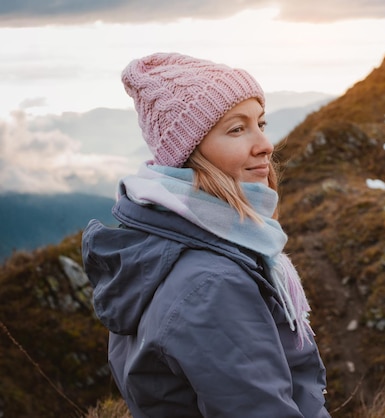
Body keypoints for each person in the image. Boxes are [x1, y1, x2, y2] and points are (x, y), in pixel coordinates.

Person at [82, 52, 331, 418]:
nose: (265, 144)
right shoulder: (213, 284)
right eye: (236, 129)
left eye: (261, 123)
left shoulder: (158, 246)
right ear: (189, 154)